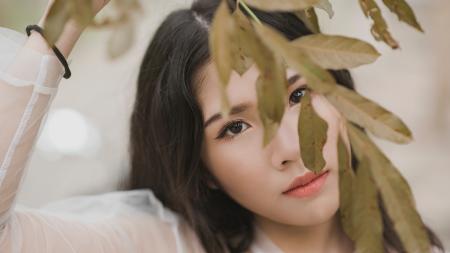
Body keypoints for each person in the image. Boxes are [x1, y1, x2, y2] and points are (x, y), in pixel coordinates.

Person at [0, 0, 446, 252]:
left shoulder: (408, 242)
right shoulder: (168, 245)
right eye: (235, 127)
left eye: (297, 96)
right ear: (202, 169)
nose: (293, 148)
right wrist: (62, 27)